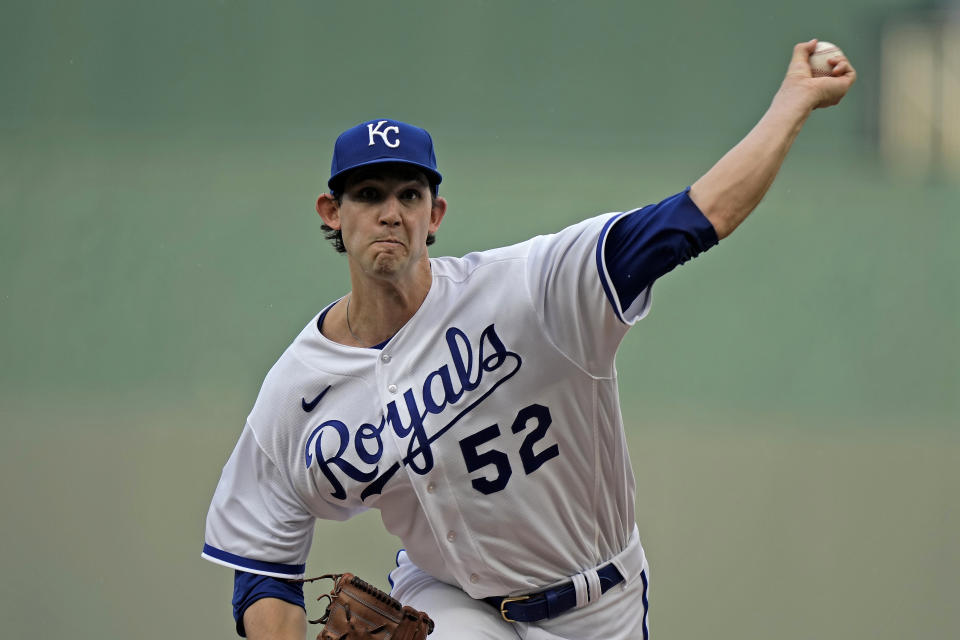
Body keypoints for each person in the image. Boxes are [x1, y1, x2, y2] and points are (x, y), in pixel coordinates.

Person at [201, 40, 856, 639]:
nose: (390, 211)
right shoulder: (298, 391)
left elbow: (693, 219)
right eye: (368, 193)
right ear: (331, 213)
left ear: (436, 215)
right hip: (452, 602)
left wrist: (791, 102)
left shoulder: (530, 292)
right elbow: (262, 563)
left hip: (598, 606)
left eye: (409, 192)